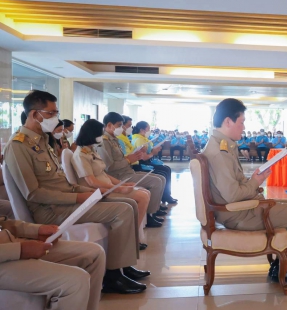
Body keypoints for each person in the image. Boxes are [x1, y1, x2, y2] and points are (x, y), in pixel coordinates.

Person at [4, 90, 147, 294]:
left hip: (67, 201)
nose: (56, 118)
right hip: (50, 210)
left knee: (131, 203)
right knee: (122, 210)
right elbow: (33, 194)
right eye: (51, 113)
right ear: (35, 114)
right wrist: (80, 196)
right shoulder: (18, 146)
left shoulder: (44, 142)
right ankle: (113, 276)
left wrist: (90, 192)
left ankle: (123, 265)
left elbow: (63, 182)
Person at [203, 98, 287, 283]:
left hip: (240, 208)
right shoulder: (219, 152)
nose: (243, 127)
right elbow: (232, 195)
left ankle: (282, 264)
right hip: (238, 214)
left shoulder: (222, 144)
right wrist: (255, 182)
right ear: (228, 121)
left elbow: (233, 185)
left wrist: (255, 180)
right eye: (241, 122)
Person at [71, 119, 152, 244]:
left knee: (145, 193)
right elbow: (91, 181)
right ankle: (132, 238)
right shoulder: (80, 155)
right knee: (142, 197)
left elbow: (104, 173)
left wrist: (122, 183)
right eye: (100, 134)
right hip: (99, 191)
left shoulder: (91, 150)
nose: (102, 137)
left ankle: (133, 233)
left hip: (108, 186)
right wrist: (118, 188)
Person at [0, 216, 106, 310]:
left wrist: (36, 230)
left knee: (94, 253)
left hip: (6, 241)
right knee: (76, 281)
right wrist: (19, 250)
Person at [97, 112, 168, 228]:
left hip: (127, 171)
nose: (122, 128)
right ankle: (150, 215)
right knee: (156, 182)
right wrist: (129, 160)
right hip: (119, 176)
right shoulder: (104, 141)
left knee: (160, 177)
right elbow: (108, 167)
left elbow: (120, 158)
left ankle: (153, 210)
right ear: (109, 125)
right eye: (119, 125)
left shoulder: (113, 139)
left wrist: (133, 156)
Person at [131, 121, 178, 206]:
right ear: (142, 129)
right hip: (142, 164)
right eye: (148, 129)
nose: (150, 130)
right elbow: (144, 157)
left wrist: (154, 150)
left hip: (147, 161)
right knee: (163, 171)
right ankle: (164, 196)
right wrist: (153, 152)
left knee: (166, 169)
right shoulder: (139, 140)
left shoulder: (142, 138)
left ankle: (166, 195)